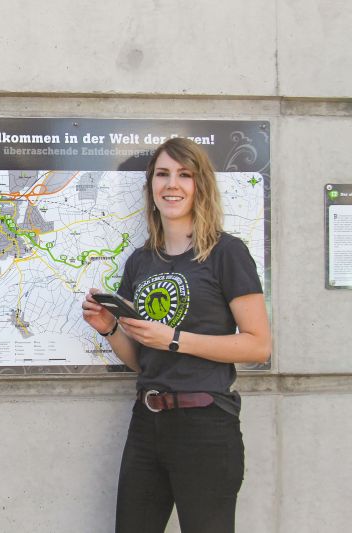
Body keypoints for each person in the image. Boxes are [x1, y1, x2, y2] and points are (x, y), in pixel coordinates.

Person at [82, 137, 271, 533]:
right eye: (163, 174)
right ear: (151, 187)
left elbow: (258, 344)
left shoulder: (225, 253)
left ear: (200, 184)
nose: (173, 184)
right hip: (147, 423)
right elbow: (142, 358)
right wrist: (112, 328)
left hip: (205, 425)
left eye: (185, 175)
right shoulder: (141, 260)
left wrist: (174, 338)